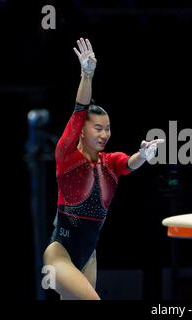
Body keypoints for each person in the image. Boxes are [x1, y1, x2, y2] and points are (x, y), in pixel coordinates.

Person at [43, 38, 164, 300]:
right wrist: (86, 76)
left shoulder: (109, 162)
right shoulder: (67, 156)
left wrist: (143, 155)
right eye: (98, 128)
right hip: (59, 253)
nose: (104, 134)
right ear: (82, 131)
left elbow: (129, 163)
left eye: (107, 128)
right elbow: (79, 111)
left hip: (89, 255)